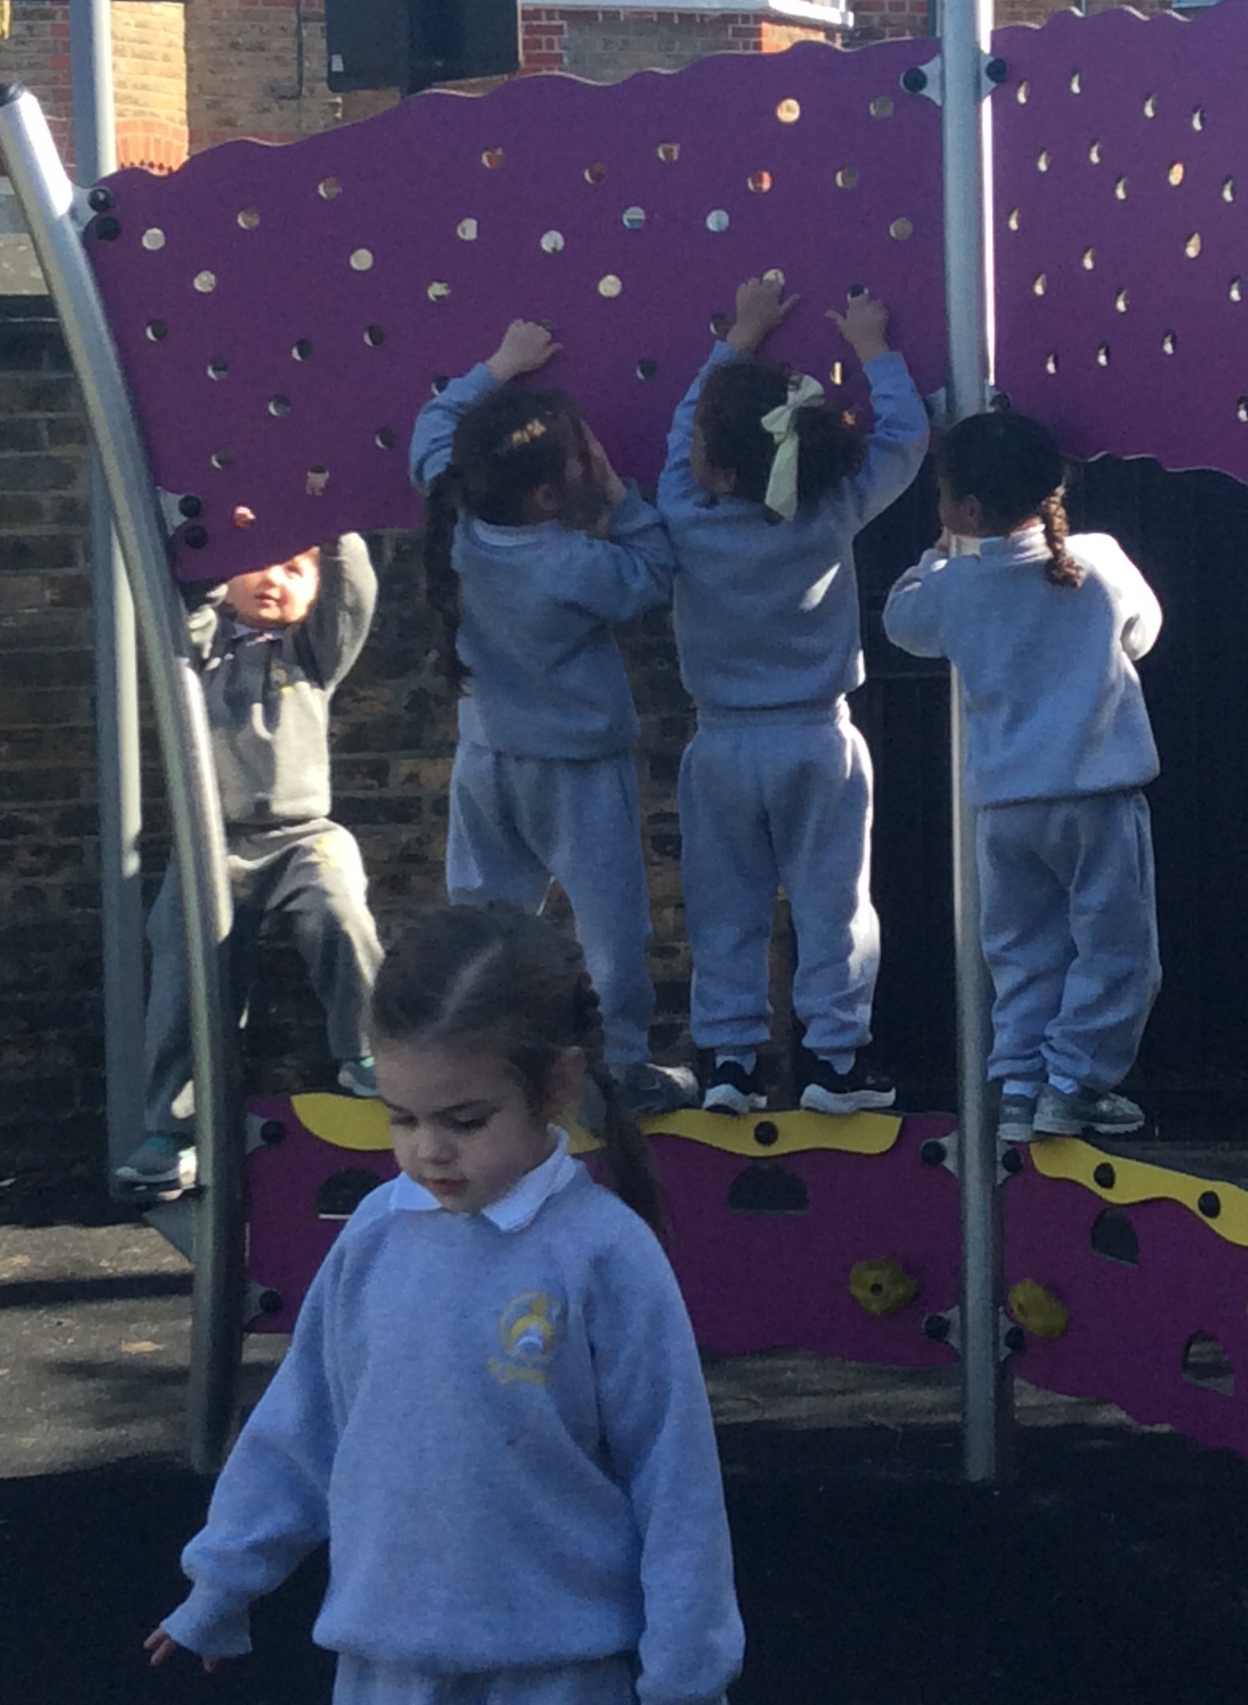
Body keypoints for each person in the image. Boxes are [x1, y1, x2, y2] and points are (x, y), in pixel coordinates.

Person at [145, 902, 744, 1705]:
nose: (428, 1149)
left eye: (466, 1121)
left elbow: (674, 1480)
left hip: (561, 1675)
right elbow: (303, 1422)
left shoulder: (606, 1254)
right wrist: (224, 1577)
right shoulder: (374, 1234)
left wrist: (687, 1675)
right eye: (401, 1117)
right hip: (382, 1670)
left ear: (558, 1084)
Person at [658, 276, 929, 1116]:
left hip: (720, 743)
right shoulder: (831, 507)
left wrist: (738, 335)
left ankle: (729, 1063)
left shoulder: (683, 512)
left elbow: (681, 430)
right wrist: (874, 348)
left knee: (723, 908)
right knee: (835, 904)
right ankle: (832, 1063)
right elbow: (906, 439)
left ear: (718, 465)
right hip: (817, 738)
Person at [410, 319, 694, 1118]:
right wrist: (618, 494)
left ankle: (477, 1059)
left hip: (486, 758)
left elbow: (432, 429)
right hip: (579, 770)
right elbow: (655, 572)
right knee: (611, 931)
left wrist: (499, 365)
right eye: (578, 457)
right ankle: (621, 1068)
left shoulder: (456, 529)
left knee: (482, 922)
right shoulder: (572, 564)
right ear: (546, 495)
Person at [882, 408, 1162, 1143]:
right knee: (1116, 950)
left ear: (969, 510)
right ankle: (1074, 1080)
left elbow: (899, 622)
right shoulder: (1099, 560)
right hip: (1097, 796)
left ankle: (1017, 1084)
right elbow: (1142, 633)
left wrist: (939, 554)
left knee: (1020, 954)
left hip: (1005, 807)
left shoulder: (953, 585)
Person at [116, 537, 383, 1190]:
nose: (274, 577)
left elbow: (353, 592)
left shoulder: (312, 653)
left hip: (304, 834)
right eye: (259, 561)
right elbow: (189, 602)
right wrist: (219, 543)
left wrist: (333, 524)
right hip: (212, 843)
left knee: (340, 911)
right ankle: (177, 1129)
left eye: (294, 569)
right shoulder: (200, 652)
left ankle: (365, 1051)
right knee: (184, 956)